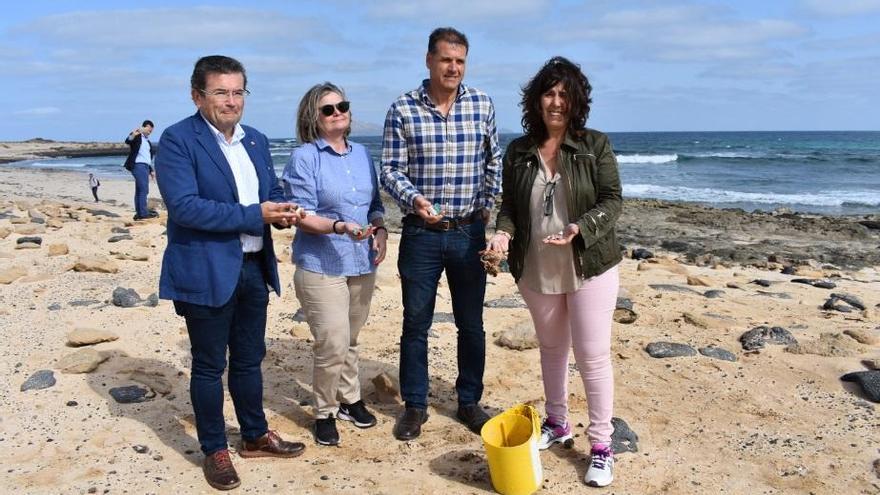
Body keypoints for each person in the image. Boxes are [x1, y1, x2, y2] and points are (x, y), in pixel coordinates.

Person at [155, 55, 307, 491]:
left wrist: (280, 212)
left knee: (248, 359)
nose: (231, 100)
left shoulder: (255, 140)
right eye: (221, 92)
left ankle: (255, 435)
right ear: (197, 95)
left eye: (238, 91)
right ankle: (215, 449)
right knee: (207, 366)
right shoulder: (179, 139)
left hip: (254, 266)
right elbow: (184, 207)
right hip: (204, 270)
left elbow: (271, 192)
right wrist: (254, 213)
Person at [486, 56, 623, 488]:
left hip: (589, 265)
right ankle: (558, 423)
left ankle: (601, 446)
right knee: (551, 349)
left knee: (592, 356)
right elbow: (510, 207)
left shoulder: (594, 144)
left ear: (577, 100)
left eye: (565, 94)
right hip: (537, 266)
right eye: (549, 92)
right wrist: (502, 237)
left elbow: (613, 199)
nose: (557, 101)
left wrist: (581, 227)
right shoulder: (520, 150)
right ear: (536, 99)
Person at [380, 27, 502, 441]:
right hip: (421, 235)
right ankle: (415, 406)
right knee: (415, 324)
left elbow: (493, 162)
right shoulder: (402, 108)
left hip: (470, 234)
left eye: (460, 61)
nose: (453, 68)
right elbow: (391, 169)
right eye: (446, 59)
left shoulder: (482, 104)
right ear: (429, 60)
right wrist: (414, 200)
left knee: (472, 324)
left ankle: (468, 401)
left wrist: (488, 206)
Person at [281, 82, 387, 446]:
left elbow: (374, 203)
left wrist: (382, 230)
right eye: (328, 109)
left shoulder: (362, 155)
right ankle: (325, 410)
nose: (337, 112)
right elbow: (301, 214)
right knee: (333, 341)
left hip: (362, 261)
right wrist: (340, 226)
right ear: (313, 117)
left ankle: (350, 399)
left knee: (351, 338)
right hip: (320, 263)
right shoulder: (305, 158)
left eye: (342, 105)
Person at [124, 119, 158, 220]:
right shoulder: (137, 137)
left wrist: (151, 170)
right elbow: (128, 141)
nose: (149, 132)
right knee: (144, 189)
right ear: (143, 127)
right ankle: (143, 213)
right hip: (138, 165)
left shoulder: (147, 142)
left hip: (144, 166)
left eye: (151, 131)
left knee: (139, 190)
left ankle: (139, 213)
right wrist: (133, 134)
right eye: (148, 130)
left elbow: (147, 157)